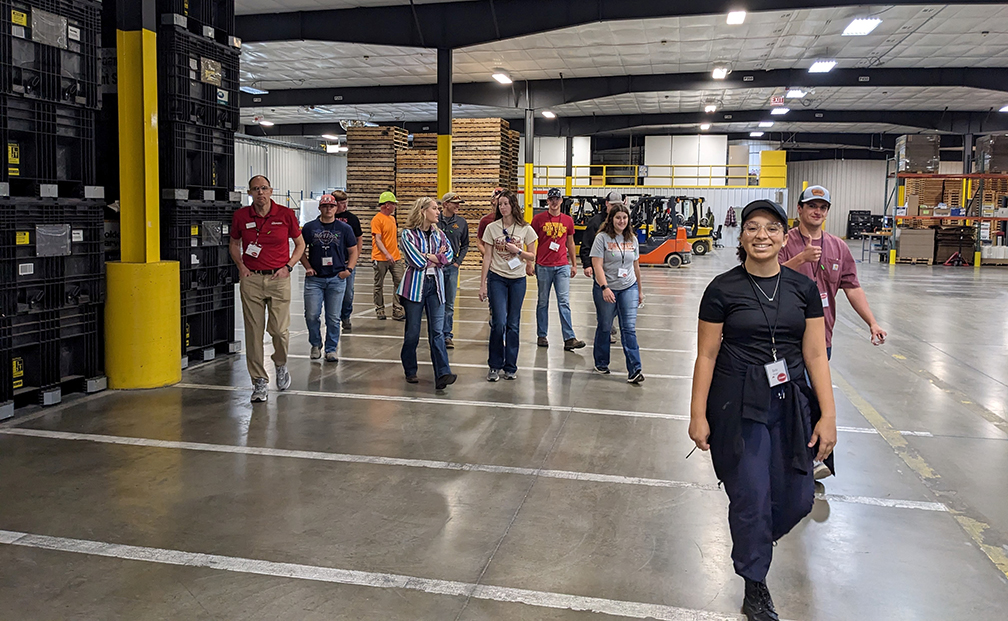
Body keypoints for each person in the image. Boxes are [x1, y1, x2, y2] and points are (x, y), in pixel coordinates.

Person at [688, 199, 837, 621]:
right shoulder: (721, 288)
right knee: (751, 494)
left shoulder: (801, 288)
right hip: (737, 403)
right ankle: (755, 586)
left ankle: (755, 538)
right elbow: (706, 356)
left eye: (771, 228)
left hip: (790, 403)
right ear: (741, 236)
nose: (761, 236)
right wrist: (698, 414)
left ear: (783, 235)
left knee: (798, 497)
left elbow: (815, 355)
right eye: (752, 227)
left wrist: (828, 415)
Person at [779, 185, 886, 480]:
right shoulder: (783, 242)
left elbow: (852, 287)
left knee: (814, 399)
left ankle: (815, 460)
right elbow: (768, 277)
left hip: (820, 339)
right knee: (787, 397)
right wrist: (799, 260)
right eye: (811, 205)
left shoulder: (838, 247)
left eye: (823, 207)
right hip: (784, 335)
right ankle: (787, 456)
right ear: (799, 209)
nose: (817, 211)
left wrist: (872, 323)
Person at [229, 175, 306, 403]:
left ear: (271, 191)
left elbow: (300, 244)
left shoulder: (285, 214)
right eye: (255, 189)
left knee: (279, 331)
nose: (260, 193)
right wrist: (241, 266)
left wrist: (288, 267)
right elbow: (234, 244)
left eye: (264, 188)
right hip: (251, 279)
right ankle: (259, 382)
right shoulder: (241, 216)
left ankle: (280, 365)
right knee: (253, 333)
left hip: (278, 279)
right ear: (250, 193)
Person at [398, 197, 457, 390]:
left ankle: (443, 373)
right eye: (434, 208)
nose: (438, 212)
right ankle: (410, 369)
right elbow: (417, 262)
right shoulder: (407, 234)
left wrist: (433, 257)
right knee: (413, 333)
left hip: (436, 287)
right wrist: (435, 258)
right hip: (414, 287)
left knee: (437, 332)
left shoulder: (439, 234)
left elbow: (449, 256)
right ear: (423, 211)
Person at [479, 190, 538, 381]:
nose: (502, 207)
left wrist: (518, 251)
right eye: (500, 204)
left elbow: (532, 256)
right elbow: (487, 257)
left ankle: (510, 366)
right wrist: (483, 284)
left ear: (513, 205)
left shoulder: (526, 229)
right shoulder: (492, 228)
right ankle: (494, 365)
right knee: (499, 322)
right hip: (497, 278)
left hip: (518, 280)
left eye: (506, 203)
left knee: (513, 323)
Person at [300, 194, 359, 362]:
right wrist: (308, 267)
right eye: (325, 206)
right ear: (320, 208)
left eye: (331, 206)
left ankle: (331, 348)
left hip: (336, 278)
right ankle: (315, 343)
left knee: (333, 317)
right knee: (311, 315)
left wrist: (349, 269)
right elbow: (300, 249)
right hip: (315, 279)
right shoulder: (310, 228)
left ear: (336, 208)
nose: (328, 209)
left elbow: (353, 250)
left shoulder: (344, 228)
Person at [589, 202, 644, 383]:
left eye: (624, 218)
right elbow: (597, 265)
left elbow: (636, 266)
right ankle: (601, 362)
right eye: (618, 217)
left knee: (628, 328)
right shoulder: (602, 238)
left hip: (629, 287)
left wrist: (640, 291)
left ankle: (635, 370)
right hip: (606, 288)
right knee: (605, 326)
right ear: (611, 219)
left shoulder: (633, 240)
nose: (621, 221)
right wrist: (604, 287)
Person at [532, 188, 585, 351]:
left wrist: (574, 264)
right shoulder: (538, 219)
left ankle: (569, 338)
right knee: (543, 302)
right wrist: (531, 261)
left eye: (557, 199)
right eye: (551, 199)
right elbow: (530, 240)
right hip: (543, 265)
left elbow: (570, 242)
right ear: (547, 201)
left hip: (562, 265)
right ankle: (542, 334)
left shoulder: (568, 220)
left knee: (564, 302)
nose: (554, 202)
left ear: (561, 201)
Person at [580, 190, 622, 344]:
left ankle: (609, 322)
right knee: (603, 301)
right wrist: (587, 265)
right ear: (606, 204)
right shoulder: (595, 222)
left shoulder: (622, 221)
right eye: (612, 205)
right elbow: (586, 244)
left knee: (620, 301)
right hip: (600, 269)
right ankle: (606, 326)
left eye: (618, 205)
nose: (614, 208)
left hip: (619, 269)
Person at [437, 192, 469, 349]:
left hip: (451, 267)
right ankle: (435, 333)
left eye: (459, 203)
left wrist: (458, 262)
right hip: (435, 268)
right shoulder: (435, 221)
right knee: (435, 301)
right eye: (454, 203)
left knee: (449, 303)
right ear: (445, 204)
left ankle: (447, 334)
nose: (458, 205)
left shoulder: (461, 223)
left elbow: (465, 244)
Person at [331, 190, 363, 333]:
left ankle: (345, 316)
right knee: (332, 292)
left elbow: (359, 238)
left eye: (346, 203)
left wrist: (355, 257)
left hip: (346, 261)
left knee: (348, 292)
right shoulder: (326, 218)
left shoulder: (352, 219)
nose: (344, 206)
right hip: (331, 262)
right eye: (341, 203)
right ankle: (333, 318)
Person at [371, 191, 405, 321]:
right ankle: (380, 309)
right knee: (379, 284)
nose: (395, 207)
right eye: (393, 204)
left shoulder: (392, 219)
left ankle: (397, 309)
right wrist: (386, 254)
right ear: (387, 205)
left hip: (395, 257)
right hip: (380, 258)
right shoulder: (377, 219)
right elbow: (378, 239)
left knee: (400, 281)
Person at [476, 187, 504, 256]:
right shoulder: (486, 220)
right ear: (493, 200)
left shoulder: (510, 219)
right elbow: (479, 243)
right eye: (499, 200)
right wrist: (489, 257)